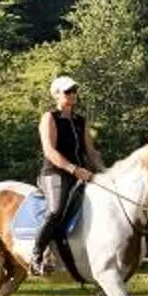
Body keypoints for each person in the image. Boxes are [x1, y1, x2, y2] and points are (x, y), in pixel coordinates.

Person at [34, 74, 101, 279]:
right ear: (56, 95)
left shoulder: (81, 121)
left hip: (79, 174)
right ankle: (36, 255)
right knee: (55, 211)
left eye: (74, 91)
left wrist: (104, 171)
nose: (72, 95)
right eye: (67, 91)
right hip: (54, 174)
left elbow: (90, 151)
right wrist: (74, 169)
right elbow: (50, 152)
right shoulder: (49, 118)